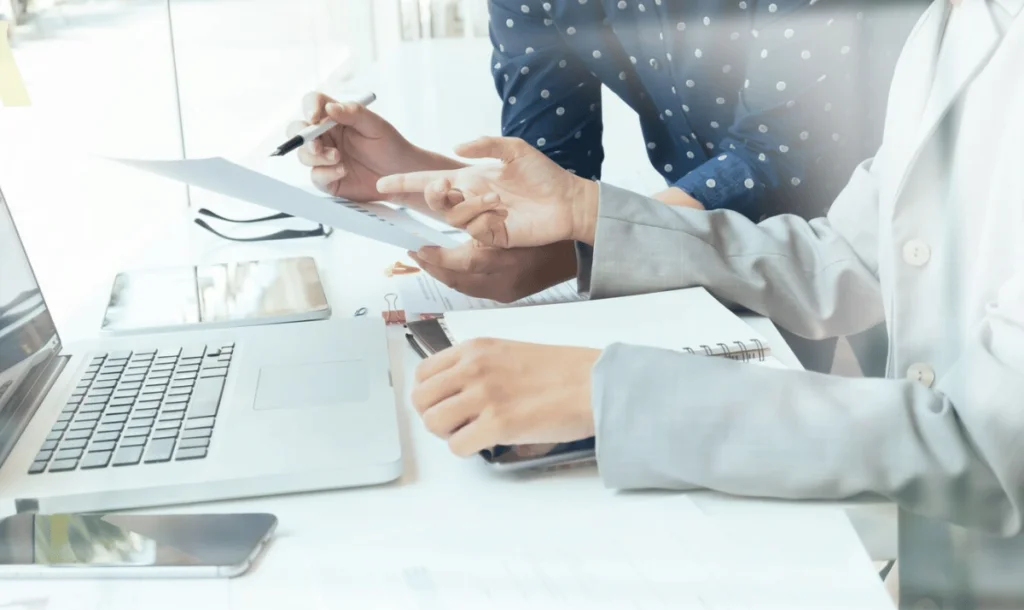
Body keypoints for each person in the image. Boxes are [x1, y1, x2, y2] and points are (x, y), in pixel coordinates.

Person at [379, 0, 1024, 610]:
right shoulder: (958, 22)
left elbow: (982, 443)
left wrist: (613, 392)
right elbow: (843, 258)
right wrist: (588, 212)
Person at [291, 0, 924, 374]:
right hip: (727, 254)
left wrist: (580, 241)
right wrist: (405, 171)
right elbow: (550, 173)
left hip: (902, 234)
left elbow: (777, 166)